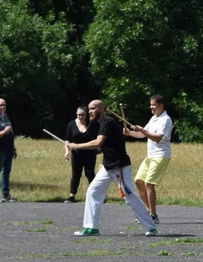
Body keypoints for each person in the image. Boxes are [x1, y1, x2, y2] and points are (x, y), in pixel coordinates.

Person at [66, 100, 158, 237]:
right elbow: (106, 146)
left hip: (119, 165)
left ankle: (151, 227)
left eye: (92, 109)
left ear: (101, 109)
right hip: (108, 165)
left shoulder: (107, 122)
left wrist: (77, 146)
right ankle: (91, 227)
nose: (89, 111)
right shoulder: (97, 124)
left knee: (129, 195)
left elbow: (98, 143)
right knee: (93, 191)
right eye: (89, 109)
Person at [125, 94, 173, 225]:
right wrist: (130, 133)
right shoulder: (153, 118)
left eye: (153, 104)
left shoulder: (166, 120)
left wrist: (142, 130)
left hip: (161, 155)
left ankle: (153, 215)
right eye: (150, 104)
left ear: (160, 105)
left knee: (148, 183)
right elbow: (142, 134)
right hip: (150, 156)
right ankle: (147, 211)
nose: (150, 107)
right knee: (138, 181)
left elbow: (157, 138)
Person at [64, 105, 98, 203]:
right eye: (78, 115)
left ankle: (95, 195)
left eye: (82, 115)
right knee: (76, 174)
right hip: (76, 154)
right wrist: (67, 151)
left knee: (90, 173)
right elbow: (67, 140)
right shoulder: (71, 124)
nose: (80, 117)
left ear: (87, 114)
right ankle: (72, 196)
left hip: (90, 153)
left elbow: (98, 139)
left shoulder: (93, 124)